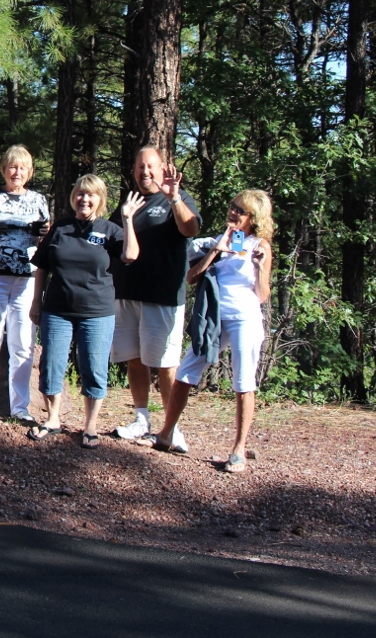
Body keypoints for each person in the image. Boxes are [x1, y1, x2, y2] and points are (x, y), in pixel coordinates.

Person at [152, 190, 274, 472]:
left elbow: (262, 295)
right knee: (185, 372)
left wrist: (258, 266)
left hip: (244, 318)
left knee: (243, 381)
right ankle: (166, 433)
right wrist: (216, 250)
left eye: (240, 211)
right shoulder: (218, 241)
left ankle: (239, 450)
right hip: (214, 318)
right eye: (233, 207)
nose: (233, 213)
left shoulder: (260, 245)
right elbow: (191, 278)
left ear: (253, 219)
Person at [27, 176, 144, 447]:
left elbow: (130, 255)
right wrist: (36, 302)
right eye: (80, 194)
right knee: (51, 365)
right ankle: (52, 419)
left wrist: (128, 219)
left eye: (91, 195)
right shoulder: (60, 228)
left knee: (94, 367)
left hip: (97, 312)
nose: (84, 199)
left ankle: (90, 426)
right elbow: (42, 266)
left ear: (100, 199)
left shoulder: (110, 230)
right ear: (74, 197)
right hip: (57, 310)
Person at [109, 146, 202, 445]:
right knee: (135, 359)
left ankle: (171, 428)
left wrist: (174, 197)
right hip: (127, 293)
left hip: (163, 296)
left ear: (163, 168)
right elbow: (112, 238)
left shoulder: (177, 197)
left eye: (150, 166)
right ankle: (141, 419)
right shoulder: (129, 201)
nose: (144, 172)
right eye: (139, 166)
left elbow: (190, 229)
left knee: (165, 363)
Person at [0, 143, 49, 422]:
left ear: (30, 172)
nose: (17, 172)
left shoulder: (39, 200)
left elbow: (45, 237)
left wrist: (47, 234)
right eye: (12, 167)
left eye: (23, 168)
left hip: (26, 281)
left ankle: (20, 407)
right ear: (3, 169)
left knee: (23, 345)